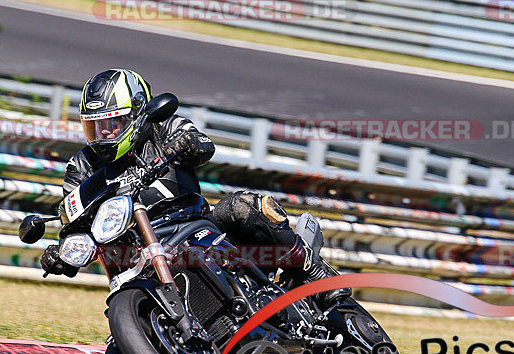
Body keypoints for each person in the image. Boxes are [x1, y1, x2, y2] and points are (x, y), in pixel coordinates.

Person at [40, 68, 348, 305]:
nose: (104, 134)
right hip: (134, 256)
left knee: (242, 207)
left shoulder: (164, 127)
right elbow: (72, 217)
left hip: (192, 225)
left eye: (112, 124)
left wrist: (188, 143)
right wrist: (61, 250)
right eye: (95, 127)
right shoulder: (82, 164)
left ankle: (308, 267)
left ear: (135, 114)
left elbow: (203, 145)